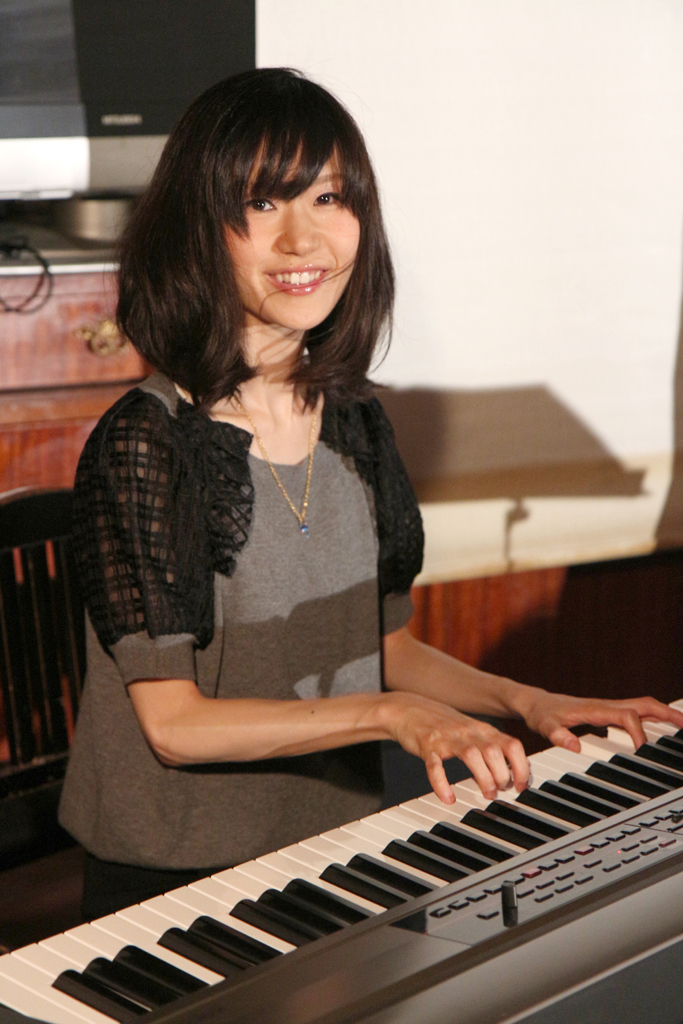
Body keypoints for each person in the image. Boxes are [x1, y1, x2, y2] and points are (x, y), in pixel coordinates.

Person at [59, 67, 683, 920]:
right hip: (181, 883)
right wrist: (394, 717)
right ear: (198, 230)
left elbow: (382, 647)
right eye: (261, 204)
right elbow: (174, 726)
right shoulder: (147, 442)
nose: (303, 240)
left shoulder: (352, 419)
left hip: (340, 844)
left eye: (329, 198)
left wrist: (528, 701)